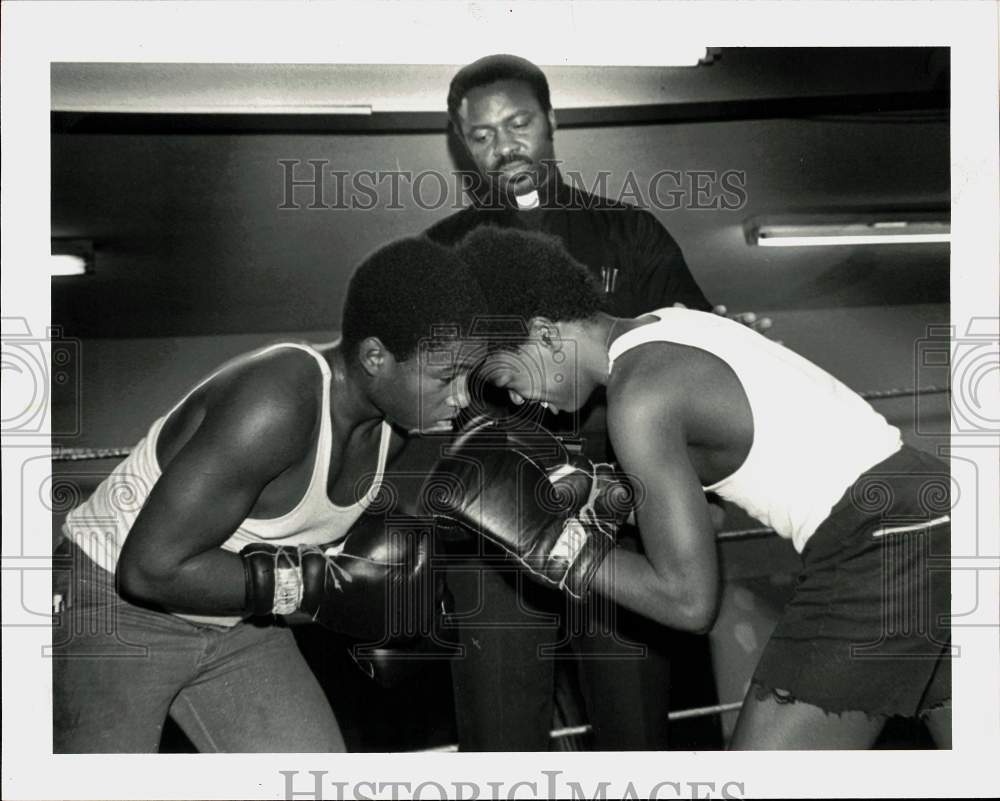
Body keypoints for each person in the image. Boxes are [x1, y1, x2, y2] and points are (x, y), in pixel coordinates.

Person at [438, 225, 951, 749]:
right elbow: (704, 518)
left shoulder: (639, 397)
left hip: (883, 548)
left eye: (509, 382)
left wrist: (554, 545)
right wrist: (595, 493)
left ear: (545, 334)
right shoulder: (674, 327)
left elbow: (688, 602)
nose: (527, 402)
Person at [52, 236, 488, 753]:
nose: (462, 398)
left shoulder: (395, 432)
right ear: (376, 356)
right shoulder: (276, 400)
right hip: (113, 605)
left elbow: (307, 563)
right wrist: (321, 588)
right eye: (447, 377)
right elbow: (148, 570)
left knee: (315, 779)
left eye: (469, 375)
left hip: (238, 622)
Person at [423, 53, 732, 751]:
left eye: (519, 122)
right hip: (496, 519)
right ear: (461, 145)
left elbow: (702, 360)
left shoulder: (630, 233)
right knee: (500, 739)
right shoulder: (441, 252)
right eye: (481, 135)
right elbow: (414, 390)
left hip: (622, 509)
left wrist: (695, 485)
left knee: (636, 737)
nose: (504, 147)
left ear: (552, 119)